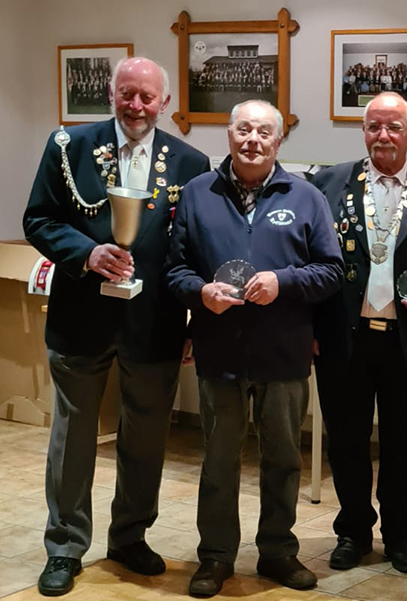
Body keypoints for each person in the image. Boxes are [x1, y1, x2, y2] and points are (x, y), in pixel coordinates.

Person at [23, 56, 209, 597]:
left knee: (147, 438)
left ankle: (129, 536)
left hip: (155, 324)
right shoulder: (69, 146)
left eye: (147, 97)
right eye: (127, 94)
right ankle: (64, 547)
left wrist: (195, 318)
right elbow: (38, 218)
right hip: (81, 319)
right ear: (112, 92)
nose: (136, 106)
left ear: (164, 103)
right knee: (73, 438)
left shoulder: (190, 162)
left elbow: (194, 247)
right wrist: (85, 252)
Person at [166, 100, 343, 597]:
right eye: (243, 129)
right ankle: (216, 556)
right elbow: (175, 269)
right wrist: (200, 292)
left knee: (283, 459)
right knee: (219, 460)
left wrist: (282, 281)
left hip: (283, 353)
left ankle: (278, 553)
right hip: (219, 351)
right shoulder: (198, 194)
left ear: (278, 141)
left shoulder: (306, 196)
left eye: (264, 132)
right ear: (228, 133)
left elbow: (331, 270)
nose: (253, 140)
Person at [312, 92, 407, 574]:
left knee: (404, 441)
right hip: (344, 338)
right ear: (364, 131)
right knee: (347, 440)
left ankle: (401, 535)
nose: (383, 136)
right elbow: (310, 259)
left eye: (393, 127)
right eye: (374, 127)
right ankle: (353, 532)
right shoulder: (329, 182)